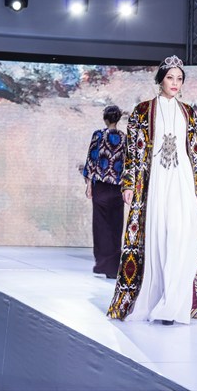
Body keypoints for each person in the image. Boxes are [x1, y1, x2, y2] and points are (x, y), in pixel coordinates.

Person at [107, 55, 197, 324]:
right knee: (157, 238)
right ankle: (155, 299)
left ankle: (173, 303)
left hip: (181, 179)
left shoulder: (188, 112)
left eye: (179, 79)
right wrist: (128, 183)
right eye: (170, 77)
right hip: (154, 181)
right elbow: (131, 152)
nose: (175, 83)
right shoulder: (142, 110)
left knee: (180, 234)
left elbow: (193, 152)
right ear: (160, 79)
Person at [82, 105, 126, 279]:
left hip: (100, 186)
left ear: (105, 118)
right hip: (118, 187)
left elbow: (91, 159)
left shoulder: (99, 135)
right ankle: (113, 267)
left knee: (101, 226)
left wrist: (88, 184)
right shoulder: (124, 138)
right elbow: (127, 163)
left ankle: (102, 264)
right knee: (115, 226)